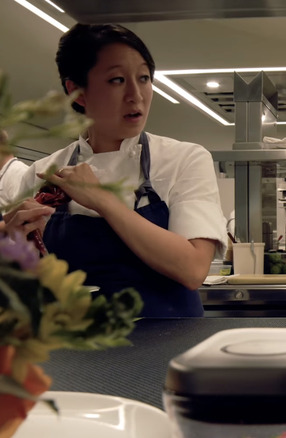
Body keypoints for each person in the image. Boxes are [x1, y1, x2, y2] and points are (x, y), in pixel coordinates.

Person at [4, 24, 227, 317]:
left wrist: (102, 200)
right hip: (74, 347)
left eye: (144, 78)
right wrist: (12, 245)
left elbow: (192, 268)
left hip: (169, 343)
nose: (137, 95)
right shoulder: (43, 173)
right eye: (117, 80)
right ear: (77, 93)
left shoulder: (183, 159)